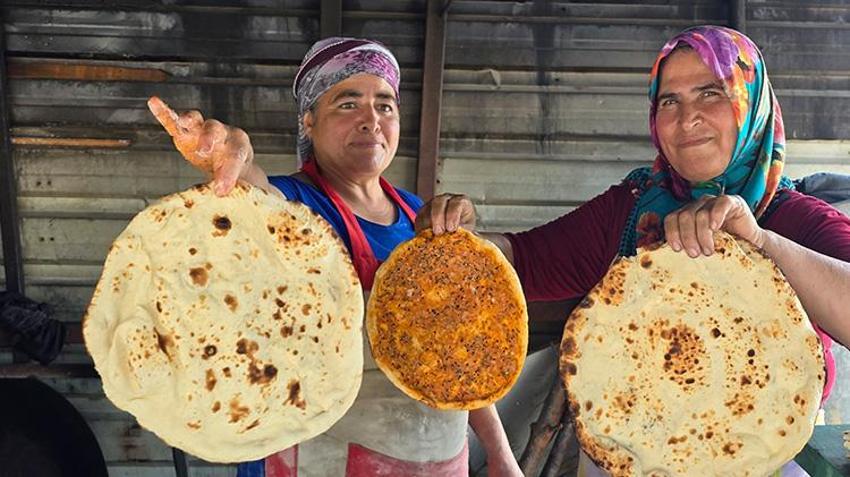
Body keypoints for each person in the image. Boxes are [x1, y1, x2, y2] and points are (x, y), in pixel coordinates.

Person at [419, 25, 850, 476]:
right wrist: (458, 239)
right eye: (669, 101)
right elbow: (522, 260)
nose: (688, 118)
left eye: (711, 93)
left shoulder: (796, 220)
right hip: (628, 457)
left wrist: (761, 241)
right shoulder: (630, 210)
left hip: (761, 459)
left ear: (751, 103)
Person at [148, 38, 521, 476]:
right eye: (348, 104)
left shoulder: (418, 214)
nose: (371, 120)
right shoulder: (293, 206)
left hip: (432, 460)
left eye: (385, 106)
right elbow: (255, 196)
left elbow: (462, 352)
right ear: (308, 121)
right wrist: (232, 159)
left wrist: (501, 455)